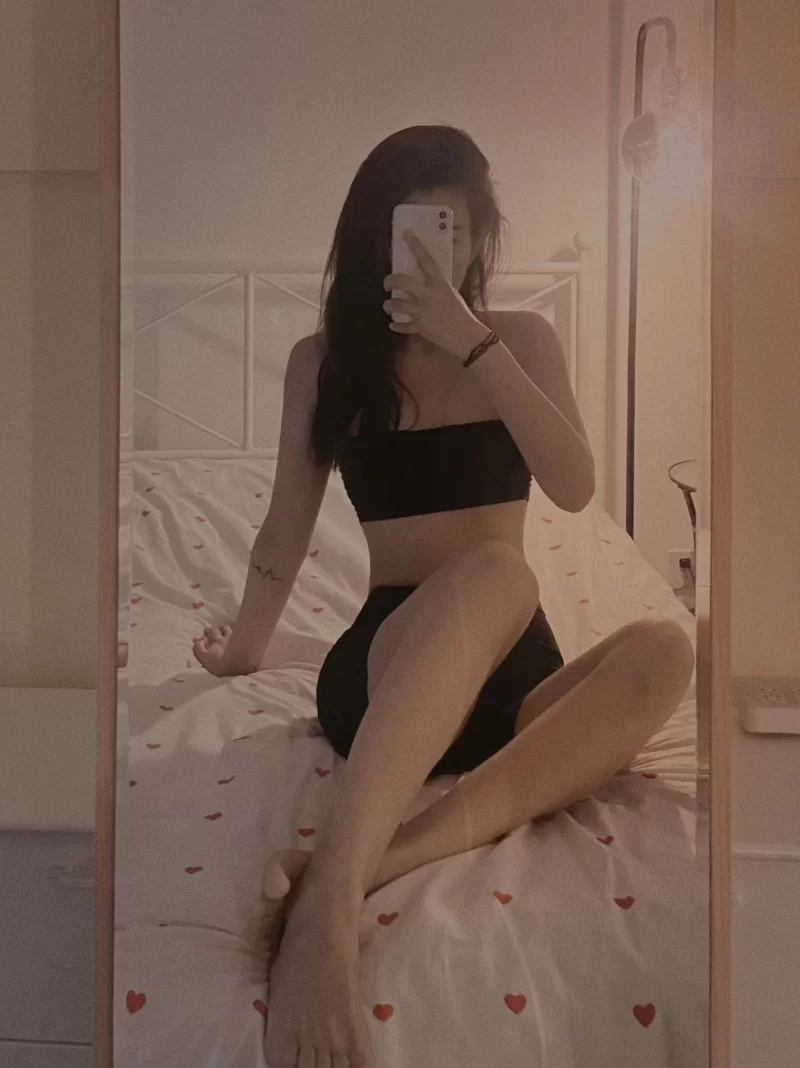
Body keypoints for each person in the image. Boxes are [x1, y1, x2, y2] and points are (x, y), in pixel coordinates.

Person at [192, 125, 695, 1068]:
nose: (435, 253)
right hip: (387, 664)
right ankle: (329, 911)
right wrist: (240, 655)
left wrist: (473, 344)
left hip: (514, 678)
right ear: (371, 242)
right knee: (498, 571)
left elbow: (575, 487)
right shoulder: (326, 364)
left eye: (452, 232)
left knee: (667, 648)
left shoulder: (523, 341)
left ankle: (360, 869)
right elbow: (284, 533)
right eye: (413, 232)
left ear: (478, 239)